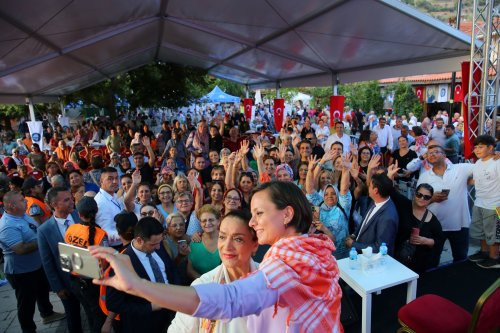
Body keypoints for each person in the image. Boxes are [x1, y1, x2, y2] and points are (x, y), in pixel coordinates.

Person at [90, 181, 343, 332]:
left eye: (259, 213)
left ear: (286, 215)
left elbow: (231, 299)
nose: (253, 222)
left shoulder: (290, 263)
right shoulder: (314, 251)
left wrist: (137, 286)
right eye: (222, 236)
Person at [168, 209, 259, 333]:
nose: (227, 246)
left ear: (255, 245)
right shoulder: (202, 287)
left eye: (238, 239)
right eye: (222, 237)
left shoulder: (272, 282)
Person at [0, 191, 65, 333]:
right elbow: (20, 249)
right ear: (12, 205)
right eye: (22, 200)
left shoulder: (22, 215)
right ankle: (28, 329)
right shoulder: (7, 225)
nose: (26, 202)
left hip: (36, 265)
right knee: (26, 303)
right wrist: (42, 242)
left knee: (42, 290)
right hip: (21, 271)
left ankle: (47, 313)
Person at [105, 217, 178, 333]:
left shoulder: (157, 245)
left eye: (160, 242)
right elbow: (113, 303)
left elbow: (170, 272)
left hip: (169, 317)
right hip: (143, 325)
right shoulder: (121, 264)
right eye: (153, 244)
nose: (158, 247)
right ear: (139, 240)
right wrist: (150, 307)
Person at [38, 187, 85, 332]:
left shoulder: (81, 217)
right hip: (67, 282)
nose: (72, 202)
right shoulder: (44, 230)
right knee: (73, 318)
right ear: (54, 204)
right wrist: (57, 287)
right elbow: (47, 262)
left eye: (71, 198)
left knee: (94, 314)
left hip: (88, 278)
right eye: (66, 200)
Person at [417, 145, 473, 262]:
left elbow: (483, 168)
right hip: (435, 226)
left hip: (460, 225)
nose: (432, 154)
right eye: (429, 153)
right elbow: (417, 202)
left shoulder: (461, 168)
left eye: (436, 152)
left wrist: (494, 156)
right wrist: (431, 199)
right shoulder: (424, 176)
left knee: (461, 259)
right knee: (432, 260)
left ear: (444, 155)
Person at [64, 196, 107, 332]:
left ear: (79, 214)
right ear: (96, 212)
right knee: (99, 317)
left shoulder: (71, 229)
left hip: (75, 280)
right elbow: (104, 263)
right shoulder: (100, 234)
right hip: (93, 283)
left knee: (89, 313)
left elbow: (68, 254)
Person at [392, 183, 444, 273]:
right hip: (397, 259)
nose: (422, 199)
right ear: (414, 193)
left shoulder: (433, 220)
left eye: (426, 197)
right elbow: (390, 191)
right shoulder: (405, 205)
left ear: (431, 199)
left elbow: (439, 242)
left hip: (419, 264)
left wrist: (425, 241)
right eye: (419, 195)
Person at [345, 172, 399, 255]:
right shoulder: (376, 200)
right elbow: (364, 222)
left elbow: (379, 248)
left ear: (376, 191)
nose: (368, 187)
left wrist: (353, 244)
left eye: (370, 185)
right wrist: (354, 235)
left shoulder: (387, 217)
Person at [468, 135, 500, 269]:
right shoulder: (478, 163)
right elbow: (476, 181)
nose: (477, 150)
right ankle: (484, 252)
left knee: (493, 233)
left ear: (491, 147)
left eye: (481, 147)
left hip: (495, 204)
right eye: (475, 147)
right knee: (480, 231)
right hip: (479, 202)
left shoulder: (497, 162)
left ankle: (495, 258)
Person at [187, 205, 221, 280]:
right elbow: (190, 270)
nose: (207, 223)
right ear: (200, 223)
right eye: (204, 221)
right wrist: (205, 282)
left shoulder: (225, 239)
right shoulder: (194, 242)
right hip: (200, 287)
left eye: (211, 220)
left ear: (218, 221)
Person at [94, 167, 124, 247]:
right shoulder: (100, 202)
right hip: (114, 248)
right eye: (110, 179)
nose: (115, 182)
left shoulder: (114, 195)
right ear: (101, 181)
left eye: (116, 178)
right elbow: (105, 232)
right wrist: (128, 235)